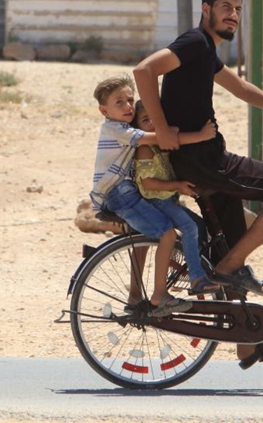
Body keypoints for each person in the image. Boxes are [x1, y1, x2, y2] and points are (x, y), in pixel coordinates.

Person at [133, 0, 263, 368]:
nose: (233, 15)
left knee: (232, 241)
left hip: (205, 159)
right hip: (207, 163)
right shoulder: (194, 43)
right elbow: (144, 71)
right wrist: (163, 129)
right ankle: (228, 268)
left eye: (237, 8)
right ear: (207, 9)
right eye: (225, 7)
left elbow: (241, 89)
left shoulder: (207, 53)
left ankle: (246, 340)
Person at [89, 75, 217, 317]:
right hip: (119, 193)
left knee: (180, 229)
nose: (127, 106)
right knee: (166, 233)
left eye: (130, 100)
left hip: (126, 191)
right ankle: (160, 294)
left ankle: (172, 280)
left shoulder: (126, 128)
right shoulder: (117, 130)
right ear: (103, 110)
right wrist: (199, 135)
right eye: (120, 103)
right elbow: (161, 138)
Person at [130, 99, 222, 295]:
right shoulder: (145, 147)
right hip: (156, 201)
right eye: (146, 120)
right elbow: (148, 183)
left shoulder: (160, 144)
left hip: (167, 200)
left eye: (156, 118)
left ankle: (187, 264)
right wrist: (178, 185)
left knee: (198, 225)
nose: (153, 124)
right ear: (137, 128)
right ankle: (196, 278)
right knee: (189, 227)